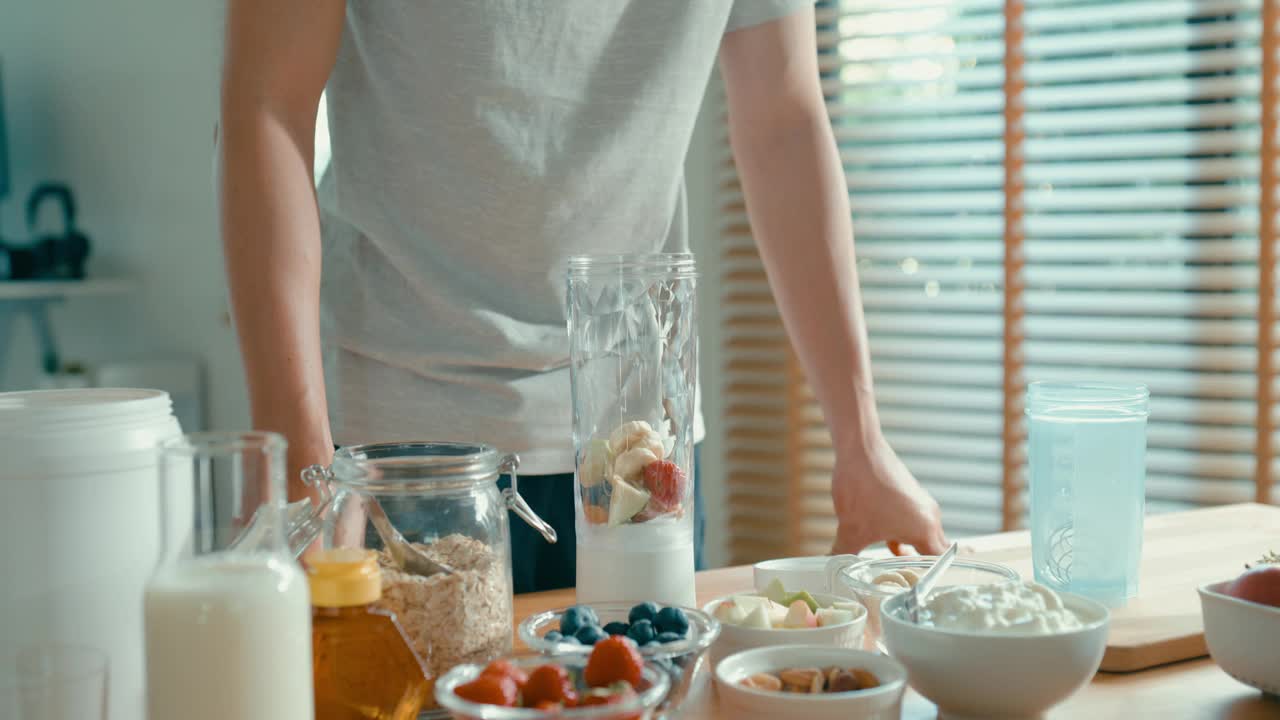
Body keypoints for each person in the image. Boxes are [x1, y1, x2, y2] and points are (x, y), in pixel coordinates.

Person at [218, 0, 948, 592]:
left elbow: (783, 118)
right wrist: (299, 463)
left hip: (635, 451)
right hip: (393, 459)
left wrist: (861, 444)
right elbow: (266, 103)